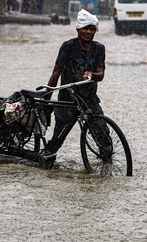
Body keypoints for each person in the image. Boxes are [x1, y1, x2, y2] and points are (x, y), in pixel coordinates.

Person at [43, 9, 105, 157]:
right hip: (67, 99)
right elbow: (56, 73)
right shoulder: (68, 47)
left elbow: (101, 74)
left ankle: (106, 161)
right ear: (78, 29)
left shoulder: (99, 49)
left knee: (103, 133)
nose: (88, 32)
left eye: (91, 29)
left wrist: (92, 75)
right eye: (85, 28)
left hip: (89, 100)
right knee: (58, 138)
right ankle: (47, 157)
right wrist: (46, 99)